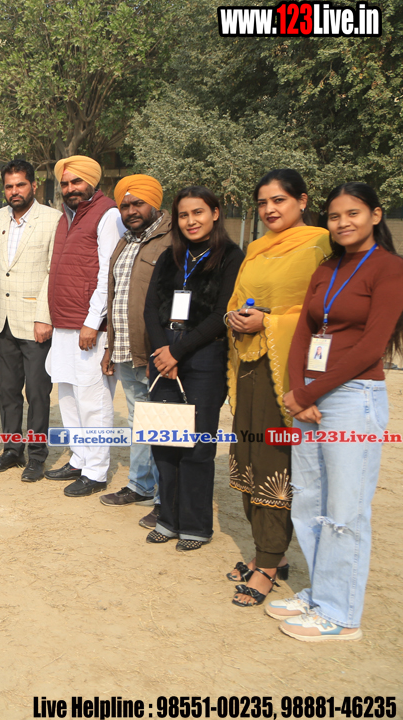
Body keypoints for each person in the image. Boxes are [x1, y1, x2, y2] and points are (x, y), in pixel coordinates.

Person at [276, 182, 403, 640]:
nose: (343, 222)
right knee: (309, 500)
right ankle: (320, 594)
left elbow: (371, 346)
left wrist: (311, 392)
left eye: (353, 213)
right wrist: (298, 390)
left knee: (345, 508)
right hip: (311, 397)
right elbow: (304, 333)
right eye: (334, 216)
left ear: (375, 215)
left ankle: (341, 614)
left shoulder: (390, 268)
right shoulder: (327, 267)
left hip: (353, 396)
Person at [225, 168, 331, 607]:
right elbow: (237, 300)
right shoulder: (255, 248)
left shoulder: (320, 245)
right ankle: (268, 551)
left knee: (273, 462)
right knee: (247, 457)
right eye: (263, 203)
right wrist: (234, 317)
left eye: (279, 201)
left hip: (288, 368)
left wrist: (269, 321)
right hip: (250, 365)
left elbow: (324, 312)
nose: (270, 210)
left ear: (302, 201)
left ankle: (268, 562)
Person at [143, 186, 243, 551]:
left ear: (215, 213)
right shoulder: (169, 256)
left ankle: (195, 527)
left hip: (203, 358)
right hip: (163, 356)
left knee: (197, 447)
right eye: (183, 215)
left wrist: (177, 352)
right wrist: (161, 352)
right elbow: (150, 308)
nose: (191, 221)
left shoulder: (231, 255)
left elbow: (221, 314)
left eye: (198, 212)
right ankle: (168, 521)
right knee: (164, 443)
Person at [43, 155, 121, 497]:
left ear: (92, 182)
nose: (70, 188)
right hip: (64, 323)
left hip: (90, 327)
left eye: (76, 181)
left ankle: (96, 470)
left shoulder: (108, 214)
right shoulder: (66, 216)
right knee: (69, 398)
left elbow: (108, 272)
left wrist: (93, 321)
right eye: (65, 183)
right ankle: (79, 458)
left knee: (93, 401)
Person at [99, 175, 170, 525]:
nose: (131, 211)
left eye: (138, 203)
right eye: (125, 205)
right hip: (126, 348)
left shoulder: (171, 240)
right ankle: (140, 485)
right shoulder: (126, 241)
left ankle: (165, 500)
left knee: (162, 423)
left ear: (154, 203)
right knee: (138, 420)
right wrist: (110, 347)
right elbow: (117, 296)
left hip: (156, 351)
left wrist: (167, 349)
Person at [0, 160, 61, 481]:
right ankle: (12, 450)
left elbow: (53, 272)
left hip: (35, 322)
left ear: (34, 185)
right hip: (4, 320)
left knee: (38, 393)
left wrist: (45, 317)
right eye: (9, 186)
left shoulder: (53, 219)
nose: (14, 191)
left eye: (20, 185)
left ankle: (37, 455)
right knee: (8, 390)